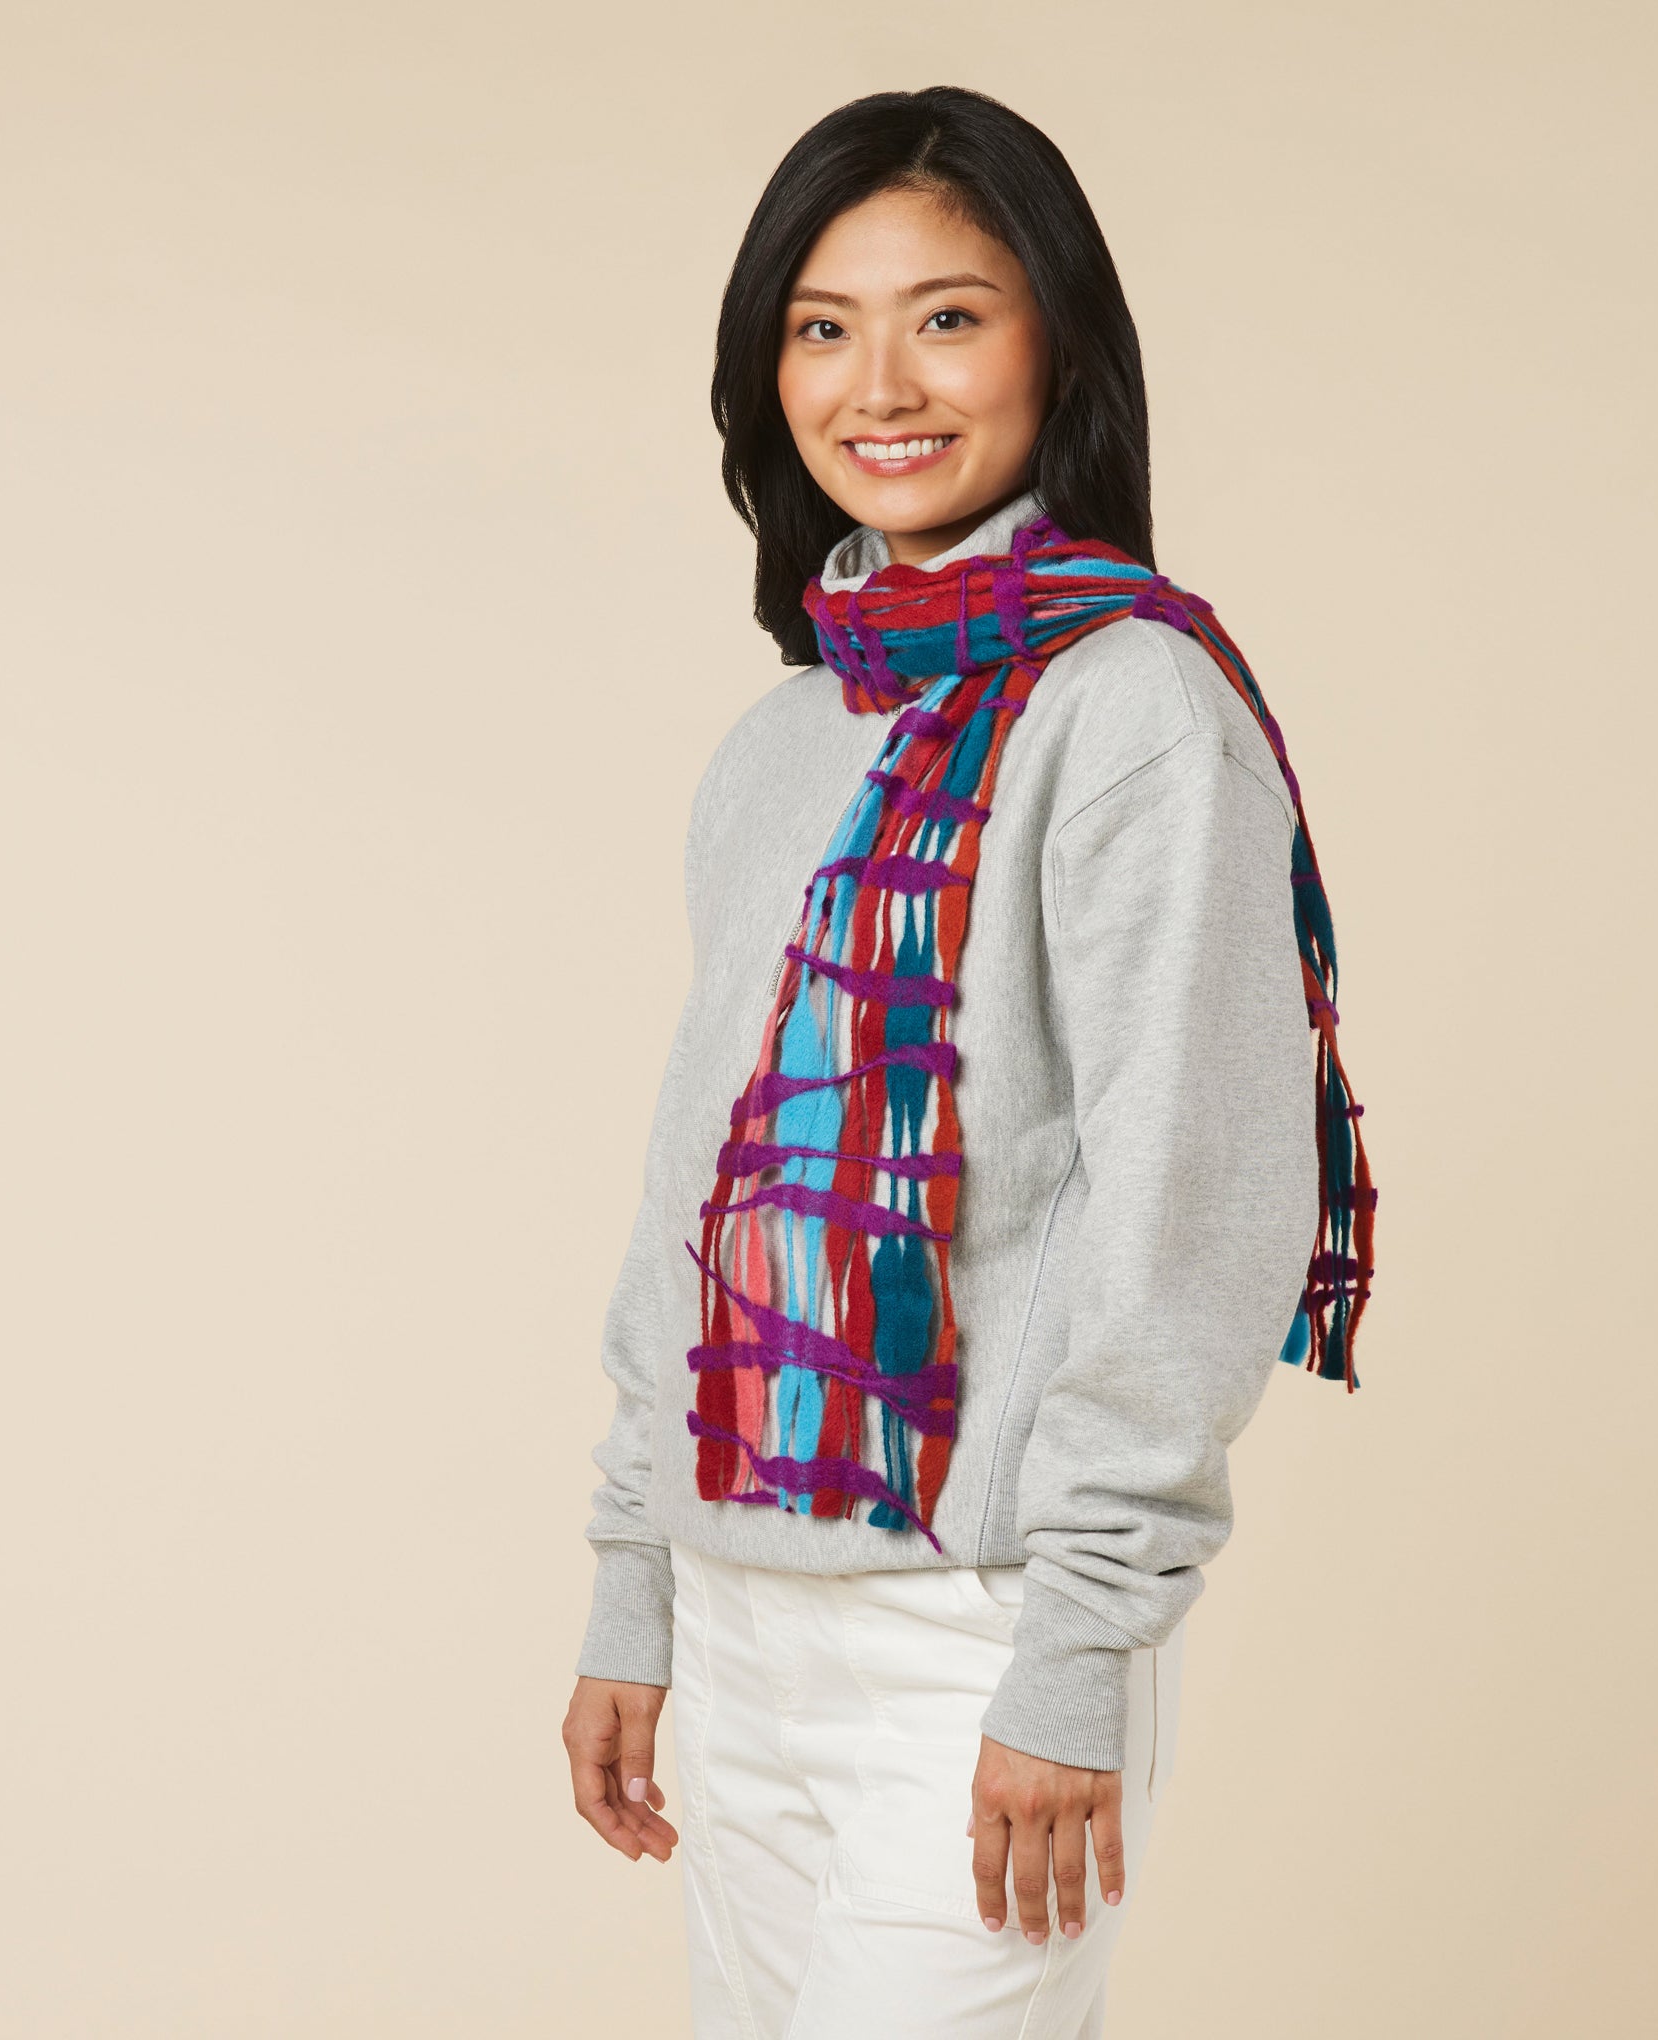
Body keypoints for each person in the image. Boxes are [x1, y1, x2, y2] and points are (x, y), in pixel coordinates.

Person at [563, 84, 1374, 2038]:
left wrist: (1079, 1651)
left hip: (983, 1626)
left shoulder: (1136, 710)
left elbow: (1191, 1197)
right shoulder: (782, 740)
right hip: (738, 1615)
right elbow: (691, 1184)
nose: (882, 385)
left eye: (947, 315)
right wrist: (634, 1581)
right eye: (822, 327)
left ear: (1057, 340)